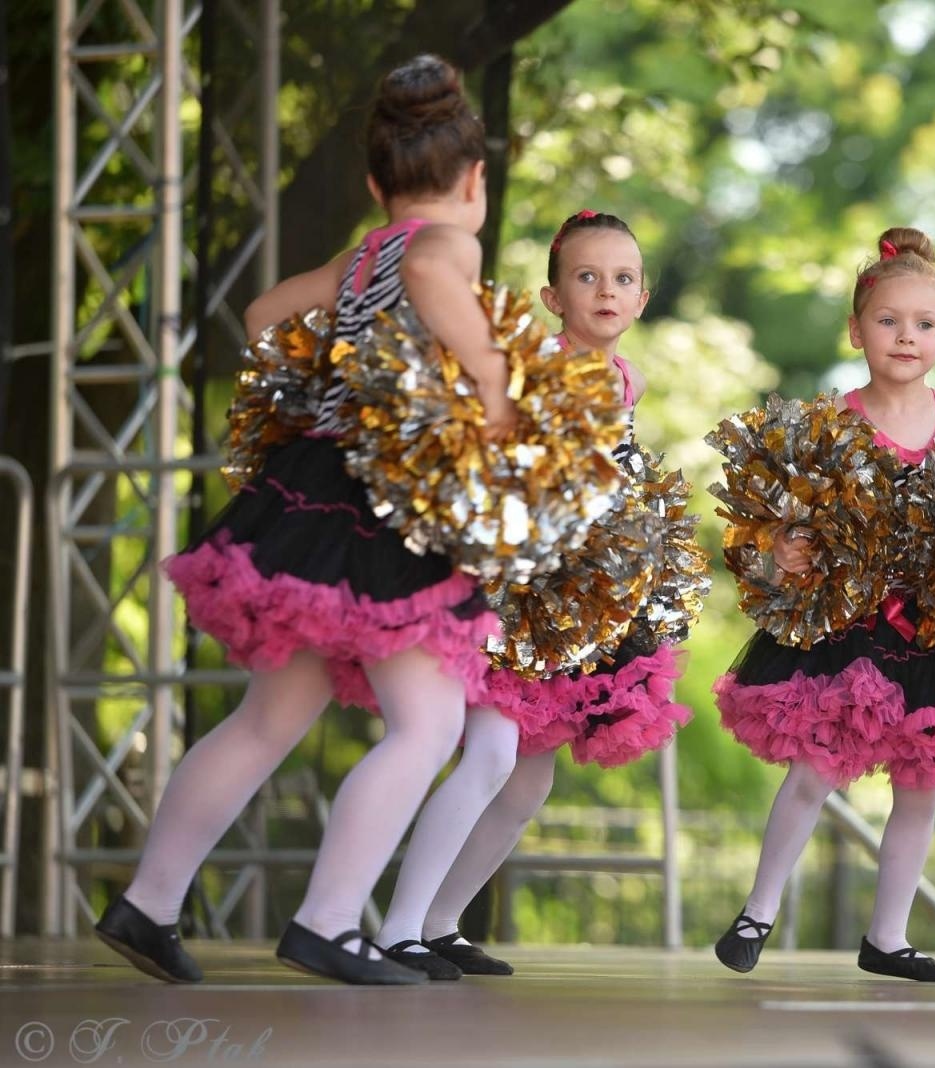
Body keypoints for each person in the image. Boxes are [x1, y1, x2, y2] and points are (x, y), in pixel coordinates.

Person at [94, 55, 510, 986]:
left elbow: (262, 314)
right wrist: (497, 399)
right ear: (475, 181)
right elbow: (459, 321)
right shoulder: (447, 248)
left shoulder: (364, 251)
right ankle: (327, 922)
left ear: (375, 182)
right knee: (430, 722)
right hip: (380, 506)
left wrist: (333, 379)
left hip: (307, 490)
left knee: (266, 719)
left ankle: (147, 903)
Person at [375, 210, 692, 978]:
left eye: (622, 279)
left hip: (565, 610)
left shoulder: (628, 381)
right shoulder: (530, 361)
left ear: (643, 297)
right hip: (500, 597)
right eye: (586, 277)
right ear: (554, 298)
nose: (606, 292)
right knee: (488, 753)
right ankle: (397, 928)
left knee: (530, 776)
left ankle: (443, 922)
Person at [713, 227, 935, 983]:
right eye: (888, 321)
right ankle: (758, 909)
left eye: (922, 324)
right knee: (814, 771)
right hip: (845, 630)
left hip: (933, 635)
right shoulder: (830, 420)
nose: (905, 336)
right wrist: (782, 548)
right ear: (857, 329)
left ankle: (888, 937)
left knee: (922, 789)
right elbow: (777, 522)